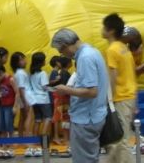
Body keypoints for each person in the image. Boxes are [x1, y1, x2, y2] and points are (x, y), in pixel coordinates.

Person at [52, 28, 108, 163]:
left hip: (86, 118)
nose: (63, 55)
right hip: (94, 114)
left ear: (66, 45)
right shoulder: (93, 52)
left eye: (61, 51)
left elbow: (92, 91)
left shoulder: (85, 57)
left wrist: (66, 90)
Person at [101, 13, 137, 163]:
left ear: (111, 31)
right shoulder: (124, 48)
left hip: (120, 98)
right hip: (129, 96)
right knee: (119, 140)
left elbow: (113, 77)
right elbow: (131, 73)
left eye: (104, 27)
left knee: (120, 140)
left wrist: (108, 100)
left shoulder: (112, 50)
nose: (102, 30)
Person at [0, 64, 17, 158]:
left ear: (1, 72)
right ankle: (5, 145)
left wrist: (15, 106)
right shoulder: (0, 81)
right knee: (2, 127)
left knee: (9, 127)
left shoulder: (11, 79)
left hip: (9, 106)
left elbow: (17, 93)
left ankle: (11, 144)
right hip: (2, 105)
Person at [10, 51, 33, 154]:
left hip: (24, 97)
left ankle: (21, 138)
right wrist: (25, 101)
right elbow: (21, 88)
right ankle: (27, 140)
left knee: (23, 118)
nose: (24, 61)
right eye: (22, 59)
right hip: (26, 97)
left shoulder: (18, 73)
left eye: (24, 59)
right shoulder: (21, 73)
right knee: (28, 117)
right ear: (17, 62)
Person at [29, 52, 51, 157]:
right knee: (47, 118)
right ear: (41, 62)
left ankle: (35, 142)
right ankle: (44, 140)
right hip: (43, 99)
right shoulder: (43, 74)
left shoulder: (31, 74)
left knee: (37, 120)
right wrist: (53, 88)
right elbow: (44, 87)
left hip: (35, 100)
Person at [50, 56, 72, 144]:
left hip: (59, 97)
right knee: (64, 117)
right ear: (68, 64)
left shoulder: (60, 72)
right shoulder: (65, 73)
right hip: (63, 98)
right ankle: (64, 138)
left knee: (59, 117)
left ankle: (61, 137)